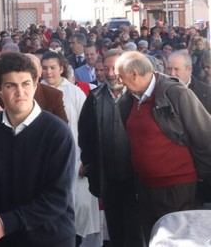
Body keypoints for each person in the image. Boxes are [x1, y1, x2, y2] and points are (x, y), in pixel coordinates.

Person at [0, 53, 75, 247]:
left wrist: (7, 222)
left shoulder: (57, 132)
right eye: (10, 85)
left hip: (50, 235)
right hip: (4, 235)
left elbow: (57, 197)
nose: (20, 92)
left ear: (35, 85)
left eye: (26, 84)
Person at [115, 51, 211, 240]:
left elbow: (204, 135)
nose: (117, 79)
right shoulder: (129, 99)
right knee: (154, 238)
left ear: (134, 74)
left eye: (120, 75)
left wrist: (204, 178)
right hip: (145, 187)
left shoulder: (175, 93)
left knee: (179, 240)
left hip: (177, 188)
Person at [78, 49, 144, 247]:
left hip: (136, 178)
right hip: (108, 178)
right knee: (115, 229)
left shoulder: (138, 96)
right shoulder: (95, 97)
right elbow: (86, 135)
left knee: (136, 230)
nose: (110, 73)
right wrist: (91, 166)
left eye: (114, 68)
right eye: (105, 68)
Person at [40, 51, 101, 246]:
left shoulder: (74, 92)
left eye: (52, 68)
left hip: (75, 158)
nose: (48, 72)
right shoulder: (35, 91)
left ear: (61, 69)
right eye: (45, 68)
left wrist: (87, 159)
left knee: (79, 207)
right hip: (45, 159)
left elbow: (87, 127)